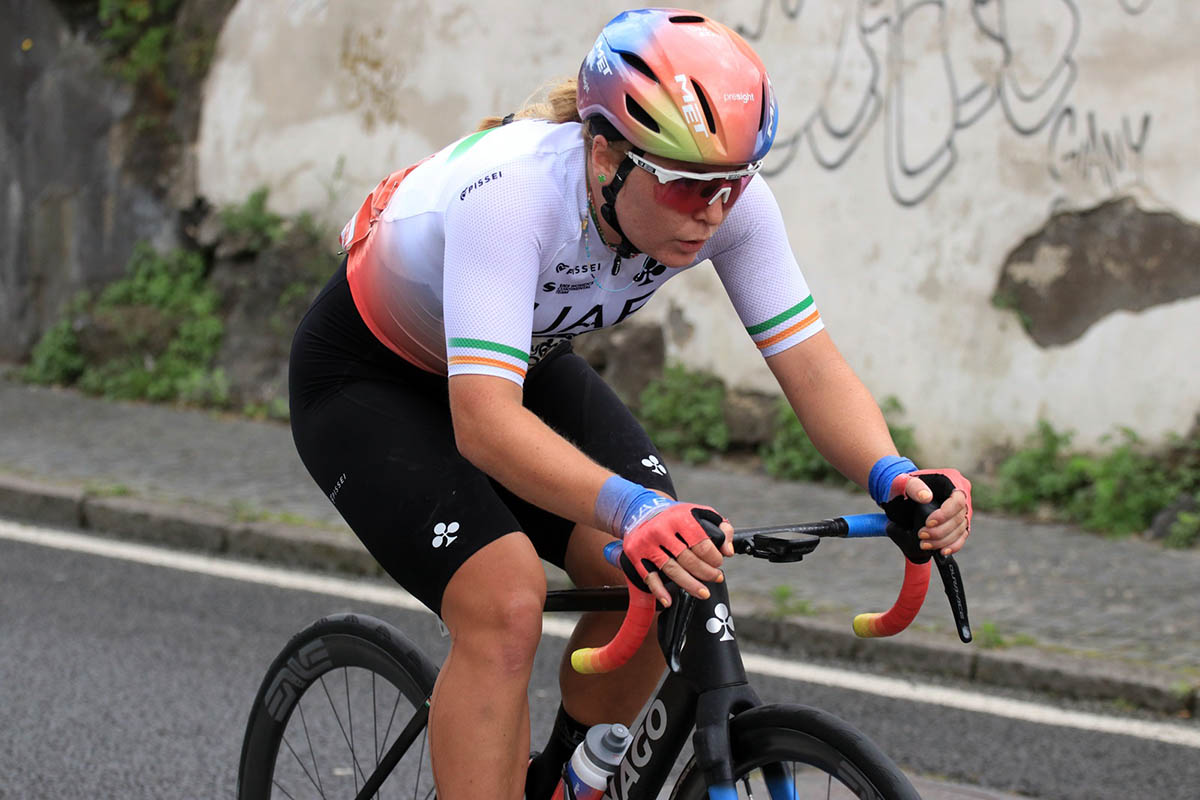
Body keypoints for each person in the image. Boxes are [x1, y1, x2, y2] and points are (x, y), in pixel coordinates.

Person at [288, 8, 972, 799]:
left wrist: (893, 474)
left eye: (731, 183)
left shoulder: (723, 206)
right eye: (685, 186)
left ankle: (570, 782)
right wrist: (629, 508)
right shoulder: (513, 196)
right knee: (505, 599)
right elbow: (483, 423)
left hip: (519, 364)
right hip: (368, 378)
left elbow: (810, 365)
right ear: (604, 153)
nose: (712, 211)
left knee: (674, 566)